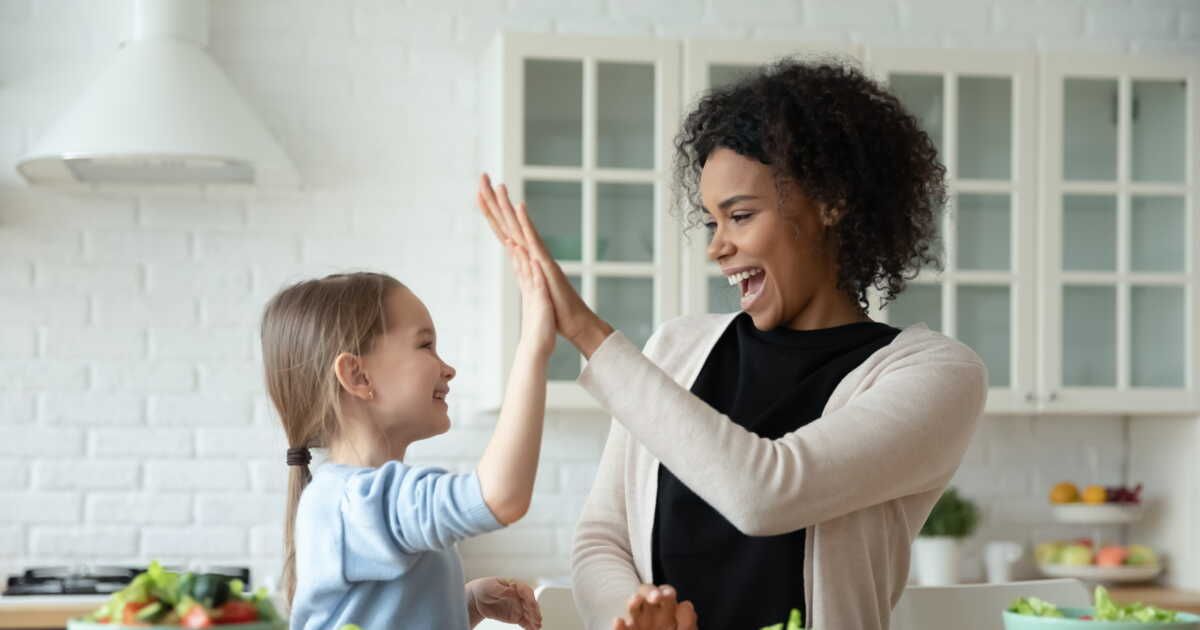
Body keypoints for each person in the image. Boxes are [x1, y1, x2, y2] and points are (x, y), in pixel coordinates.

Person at [476, 57, 988, 630]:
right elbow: (602, 538)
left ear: (831, 201)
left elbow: (764, 492)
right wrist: (636, 616)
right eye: (711, 223)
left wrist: (585, 331)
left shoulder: (933, 373)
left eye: (740, 215)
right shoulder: (674, 350)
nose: (717, 247)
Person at [262, 262, 551, 629]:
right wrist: (533, 348)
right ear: (357, 375)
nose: (448, 369)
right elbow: (500, 497)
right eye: (425, 345)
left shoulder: (365, 500)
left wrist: (467, 603)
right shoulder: (353, 501)